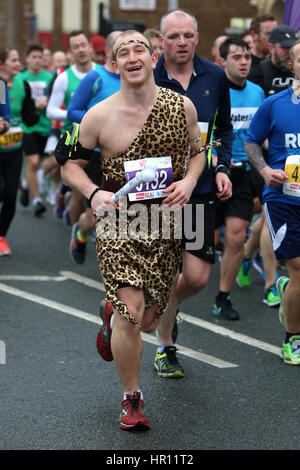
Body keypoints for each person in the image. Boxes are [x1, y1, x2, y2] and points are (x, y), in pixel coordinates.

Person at [56, 29, 206, 431]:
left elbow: (198, 152)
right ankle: (131, 398)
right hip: (120, 222)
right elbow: (67, 162)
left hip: (167, 221)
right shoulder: (98, 114)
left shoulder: (183, 107)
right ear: (115, 64)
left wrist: (190, 181)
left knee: (148, 322)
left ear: (154, 56)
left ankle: (113, 315)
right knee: (129, 314)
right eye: (124, 51)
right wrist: (91, 194)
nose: (133, 55)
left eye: (141, 48)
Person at [153, 8, 232, 378]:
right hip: (154, 193)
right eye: (173, 37)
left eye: (187, 36)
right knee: (166, 272)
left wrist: (221, 167)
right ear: (162, 41)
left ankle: (165, 307)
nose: (181, 43)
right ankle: (165, 346)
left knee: (198, 277)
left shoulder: (215, 77)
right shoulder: (146, 77)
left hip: (198, 191)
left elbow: (225, 129)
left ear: (197, 38)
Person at [245, 39, 300, 365]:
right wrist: (265, 170)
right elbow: (252, 142)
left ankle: (286, 290)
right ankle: (292, 337)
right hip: (283, 199)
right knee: (298, 270)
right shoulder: (275, 104)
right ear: (292, 65)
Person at [238, 24, 297, 299]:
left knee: (262, 223)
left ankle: (247, 257)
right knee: (265, 216)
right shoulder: (261, 74)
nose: (286, 48)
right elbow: (255, 132)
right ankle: (272, 282)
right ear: (291, 64)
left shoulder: (287, 77)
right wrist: (266, 166)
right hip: (278, 176)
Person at [212, 38, 266, 318]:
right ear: (222, 61)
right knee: (203, 241)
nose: (244, 61)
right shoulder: (212, 92)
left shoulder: (257, 93)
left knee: (235, 237)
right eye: (236, 57)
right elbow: (200, 134)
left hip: (242, 175)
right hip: (210, 174)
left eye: (246, 56)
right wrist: (217, 159)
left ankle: (223, 297)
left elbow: (261, 134)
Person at [67, 30, 121, 264]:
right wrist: (100, 123)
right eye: (122, 49)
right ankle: (81, 230)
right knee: (100, 211)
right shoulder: (94, 77)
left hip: (128, 156)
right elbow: (72, 111)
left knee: (123, 211)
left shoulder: (137, 79)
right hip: (97, 155)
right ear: (109, 52)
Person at [46, 30, 97, 225]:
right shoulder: (64, 78)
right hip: (75, 140)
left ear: (90, 47)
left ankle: (89, 223)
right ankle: (79, 231)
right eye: (76, 47)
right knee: (80, 192)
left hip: (103, 140)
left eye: (83, 45)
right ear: (70, 53)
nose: (81, 50)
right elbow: (50, 111)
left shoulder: (102, 72)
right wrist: (76, 115)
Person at [0, 48, 37, 255]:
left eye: (18, 59)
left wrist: (37, 112)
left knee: (11, 194)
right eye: (13, 60)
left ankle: (1, 236)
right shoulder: (1, 85)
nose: (18, 63)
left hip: (13, 147)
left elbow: (27, 116)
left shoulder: (20, 85)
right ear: (2, 63)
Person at [15, 44, 53, 216]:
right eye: (34, 57)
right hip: (26, 126)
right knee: (33, 162)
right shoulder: (20, 78)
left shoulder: (50, 77)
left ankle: (25, 183)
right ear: (27, 59)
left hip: (46, 125)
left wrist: (48, 102)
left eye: (40, 57)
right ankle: (37, 200)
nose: (37, 60)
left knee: (50, 162)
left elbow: (58, 100)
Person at [249, 24, 297, 97]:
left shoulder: (298, 71)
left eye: (292, 47)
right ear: (271, 48)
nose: (290, 52)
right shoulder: (257, 74)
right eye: (285, 47)